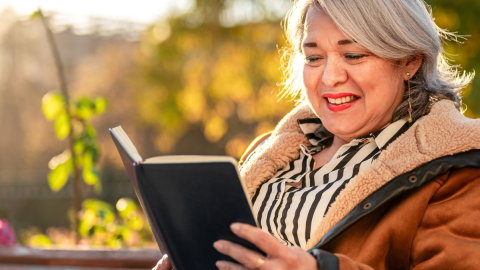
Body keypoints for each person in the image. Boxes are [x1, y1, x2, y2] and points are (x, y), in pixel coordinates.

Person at [155, 0, 480, 269]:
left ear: (409, 61)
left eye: (353, 55)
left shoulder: (456, 169)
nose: (329, 76)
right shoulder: (271, 151)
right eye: (313, 57)